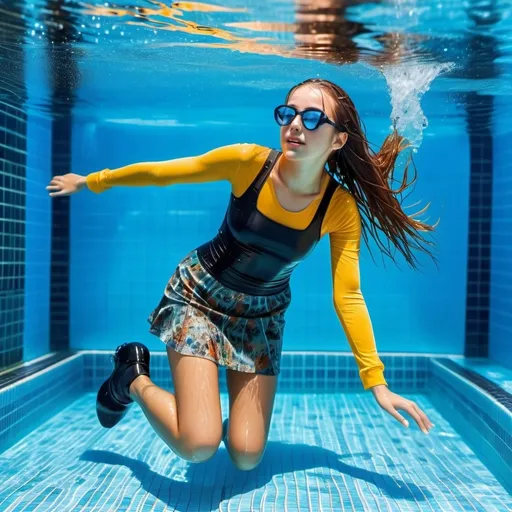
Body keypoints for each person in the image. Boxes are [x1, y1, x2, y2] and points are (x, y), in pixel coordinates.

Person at [47, 78, 435, 471]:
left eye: (313, 118)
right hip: (199, 298)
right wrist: (90, 181)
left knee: (246, 455)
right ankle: (131, 375)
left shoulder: (339, 208)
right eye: (288, 113)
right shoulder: (249, 164)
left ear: (337, 140)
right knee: (198, 444)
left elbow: (348, 296)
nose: (295, 125)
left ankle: (215, 415)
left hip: (261, 319)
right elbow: (164, 173)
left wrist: (377, 383)